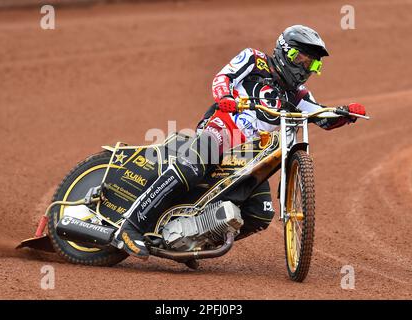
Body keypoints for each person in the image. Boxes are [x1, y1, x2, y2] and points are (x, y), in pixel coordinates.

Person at [111, 25, 366, 259]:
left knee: (260, 213)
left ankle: (196, 243)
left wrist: (346, 113)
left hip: (251, 154)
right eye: (300, 59)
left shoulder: (298, 95)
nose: (304, 67)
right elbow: (223, 77)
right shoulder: (254, 59)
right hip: (223, 128)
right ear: (284, 51)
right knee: (192, 167)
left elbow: (320, 116)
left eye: (311, 64)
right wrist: (225, 97)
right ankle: (130, 225)